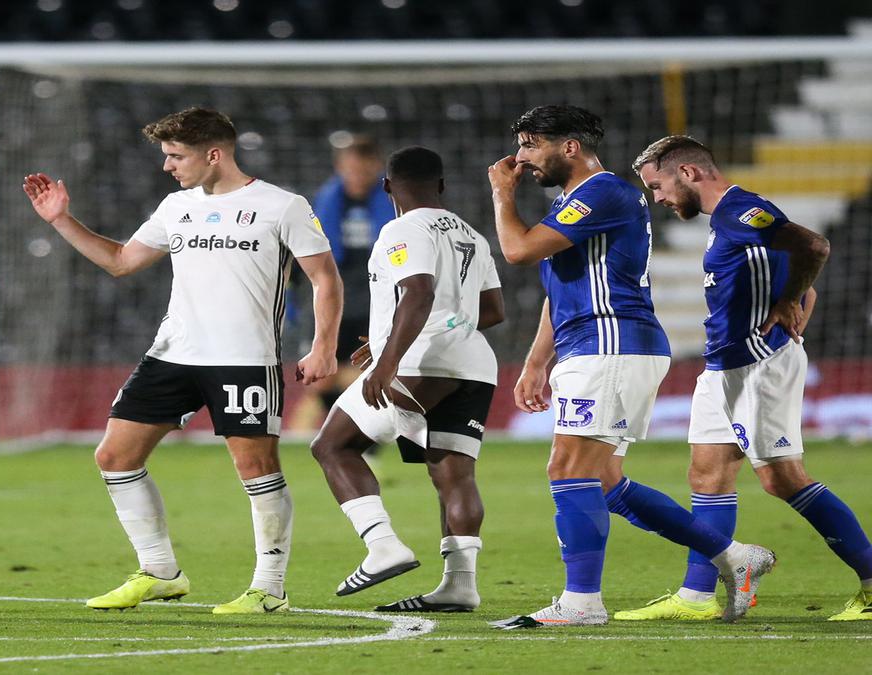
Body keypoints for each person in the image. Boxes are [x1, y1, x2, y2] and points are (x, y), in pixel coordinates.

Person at [22, 107, 341, 614]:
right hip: (173, 354)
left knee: (255, 466)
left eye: (177, 156)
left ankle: (269, 588)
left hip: (243, 359)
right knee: (114, 457)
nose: (168, 166)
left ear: (214, 154)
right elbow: (122, 261)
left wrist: (324, 345)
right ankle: (160, 572)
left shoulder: (282, 206)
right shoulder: (176, 206)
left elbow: (326, 279)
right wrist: (61, 220)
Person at [484, 105, 773, 628]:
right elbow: (558, 288)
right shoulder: (575, 202)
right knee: (605, 481)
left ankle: (581, 603)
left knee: (567, 470)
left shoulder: (604, 192)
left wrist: (502, 195)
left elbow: (518, 251)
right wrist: (535, 361)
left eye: (531, 145)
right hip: (594, 345)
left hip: (610, 342)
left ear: (569, 146)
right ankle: (733, 557)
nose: (521, 158)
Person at [619, 135, 872, 622]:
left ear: (688, 173)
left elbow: (814, 246)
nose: (659, 199)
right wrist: (796, 299)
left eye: (658, 186)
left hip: (758, 365)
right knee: (707, 475)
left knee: (782, 478)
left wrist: (786, 303)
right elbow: (804, 284)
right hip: (723, 366)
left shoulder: (742, 212)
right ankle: (695, 597)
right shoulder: (727, 221)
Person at [309, 146, 505, 613]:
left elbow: (418, 292)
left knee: (332, 445)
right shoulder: (471, 235)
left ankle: (383, 546)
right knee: (453, 474)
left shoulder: (401, 228)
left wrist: (388, 360)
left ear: (387, 186)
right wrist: (388, 341)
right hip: (474, 365)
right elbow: (492, 311)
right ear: (441, 186)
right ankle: (460, 585)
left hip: (420, 363)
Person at [309, 136, 397, 419]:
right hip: (335, 297)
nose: (355, 176)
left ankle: (361, 435)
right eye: (349, 169)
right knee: (321, 376)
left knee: (366, 370)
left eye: (362, 169)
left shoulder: (395, 203)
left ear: (376, 168)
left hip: (376, 300)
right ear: (339, 167)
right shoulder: (326, 201)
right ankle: (340, 430)